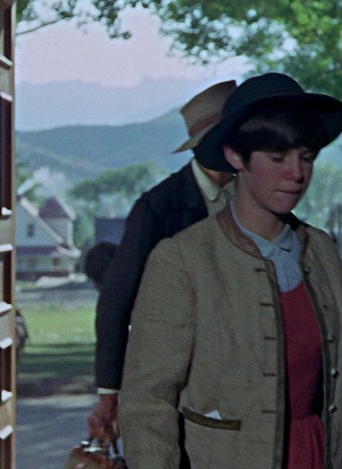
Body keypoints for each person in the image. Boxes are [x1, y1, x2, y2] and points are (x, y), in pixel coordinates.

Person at [118, 72, 342, 468]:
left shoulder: (321, 251)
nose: (296, 173)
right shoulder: (183, 261)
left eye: (306, 157)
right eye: (277, 158)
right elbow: (148, 403)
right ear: (236, 158)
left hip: (315, 454)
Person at [87, 80, 237, 445]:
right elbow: (115, 301)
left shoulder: (252, 198)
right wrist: (109, 392)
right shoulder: (158, 207)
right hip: (178, 372)